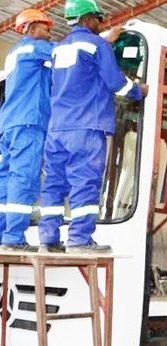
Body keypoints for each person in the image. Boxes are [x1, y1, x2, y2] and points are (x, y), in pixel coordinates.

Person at [38, 0, 148, 254]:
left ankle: (48, 240)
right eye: (98, 18)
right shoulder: (97, 45)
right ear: (87, 19)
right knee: (85, 181)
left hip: (57, 129)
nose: (101, 23)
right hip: (86, 126)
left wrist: (106, 40)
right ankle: (79, 240)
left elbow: (77, 68)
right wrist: (138, 90)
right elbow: (115, 82)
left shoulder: (58, 49)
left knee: (53, 184)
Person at [0, 9, 54, 251]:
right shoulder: (33, 47)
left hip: (9, 124)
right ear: (31, 28)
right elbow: (65, 52)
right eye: (45, 28)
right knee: (24, 177)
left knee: (6, 179)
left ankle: (3, 234)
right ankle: (13, 238)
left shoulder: (15, 53)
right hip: (28, 123)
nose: (49, 33)